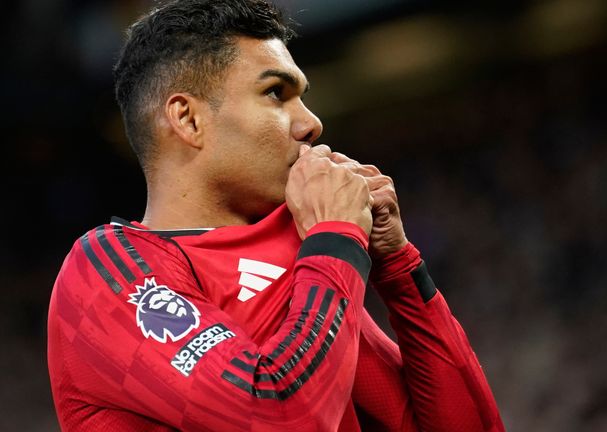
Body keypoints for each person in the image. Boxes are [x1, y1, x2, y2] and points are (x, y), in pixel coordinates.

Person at [47, 1, 505, 430]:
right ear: (187, 119)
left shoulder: (303, 254)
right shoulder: (102, 274)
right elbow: (281, 418)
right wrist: (335, 238)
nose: (311, 123)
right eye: (275, 93)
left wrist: (399, 267)